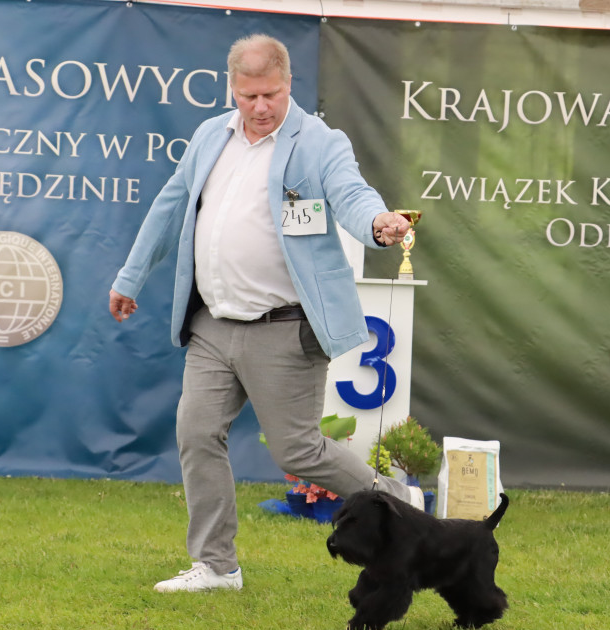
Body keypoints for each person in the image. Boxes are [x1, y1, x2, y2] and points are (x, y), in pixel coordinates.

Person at [109, 33, 421, 593]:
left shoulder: (321, 142)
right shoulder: (210, 136)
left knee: (297, 450)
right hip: (212, 324)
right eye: (248, 95)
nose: (259, 107)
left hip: (285, 327)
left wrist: (378, 224)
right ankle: (218, 566)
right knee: (196, 432)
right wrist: (132, 277)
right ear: (232, 88)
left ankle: (402, 503)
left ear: (288, 84)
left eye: (270, 95)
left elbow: (352, 195)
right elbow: (170, 206)